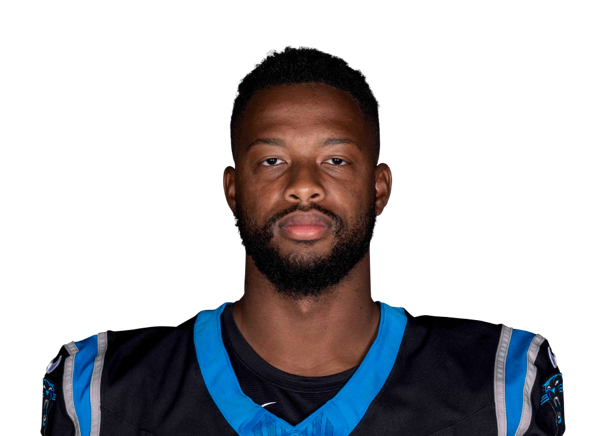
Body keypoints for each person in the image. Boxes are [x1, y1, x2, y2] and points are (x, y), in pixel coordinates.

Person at [41, 46, 565, 436]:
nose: (304, 185)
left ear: (379, 187)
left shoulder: (504, 387)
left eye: (335, 160)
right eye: (272, 160)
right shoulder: (97, 392)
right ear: (232, 188)